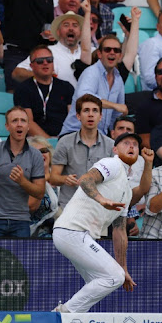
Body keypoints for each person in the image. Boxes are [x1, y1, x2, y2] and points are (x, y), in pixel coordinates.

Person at [51, 132, 140, 313]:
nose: (131, 146)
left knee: (101, 281)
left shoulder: (127, 191)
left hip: (77, 235)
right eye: (126, 143)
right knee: (113, 277)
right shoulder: (112, 163)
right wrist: (101, 199)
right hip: (71, 231)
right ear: (115, 149)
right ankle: (62, 313)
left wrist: (123, 267)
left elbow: (119, 230)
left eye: (135, 144)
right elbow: (86, 179)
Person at [0, 106, 46, 237]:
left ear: (28, 126)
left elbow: (40, 192)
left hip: (20, 220)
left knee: (19, 258)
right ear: (7, 126)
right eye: (14, 121)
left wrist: (22, 182)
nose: (19, 124)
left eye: (23, 121)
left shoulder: (35, 155)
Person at [50, 94, 113, 207]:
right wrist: (65, 179)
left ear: (100, 116)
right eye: (86, 110)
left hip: (99, 207)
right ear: (78, 116)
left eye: (95, 111)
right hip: (69, 206)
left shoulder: (110, 145)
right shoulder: (65, 142)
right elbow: (53, 178)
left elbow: (114, 179)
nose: (90, 115)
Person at [60, 34, 126, 135]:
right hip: (74, 134)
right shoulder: (91, 72)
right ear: (99, 54)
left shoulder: (118, 79)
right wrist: (114, 106)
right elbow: (84, 98)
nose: (112, 53)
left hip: (100, 138)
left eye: (116, 50)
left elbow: (117, 115)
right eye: (108, 49)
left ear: (120, 56)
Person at [14, 44, 75, 137]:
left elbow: (72, 118)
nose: (45, 63)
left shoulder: (66, 87)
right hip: (35, 141)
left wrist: (63, 140)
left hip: (64, 140)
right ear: (31, 66)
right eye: (40, 61)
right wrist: (50, 142)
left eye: (49, 60)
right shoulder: (23, 89)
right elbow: (27, 122)